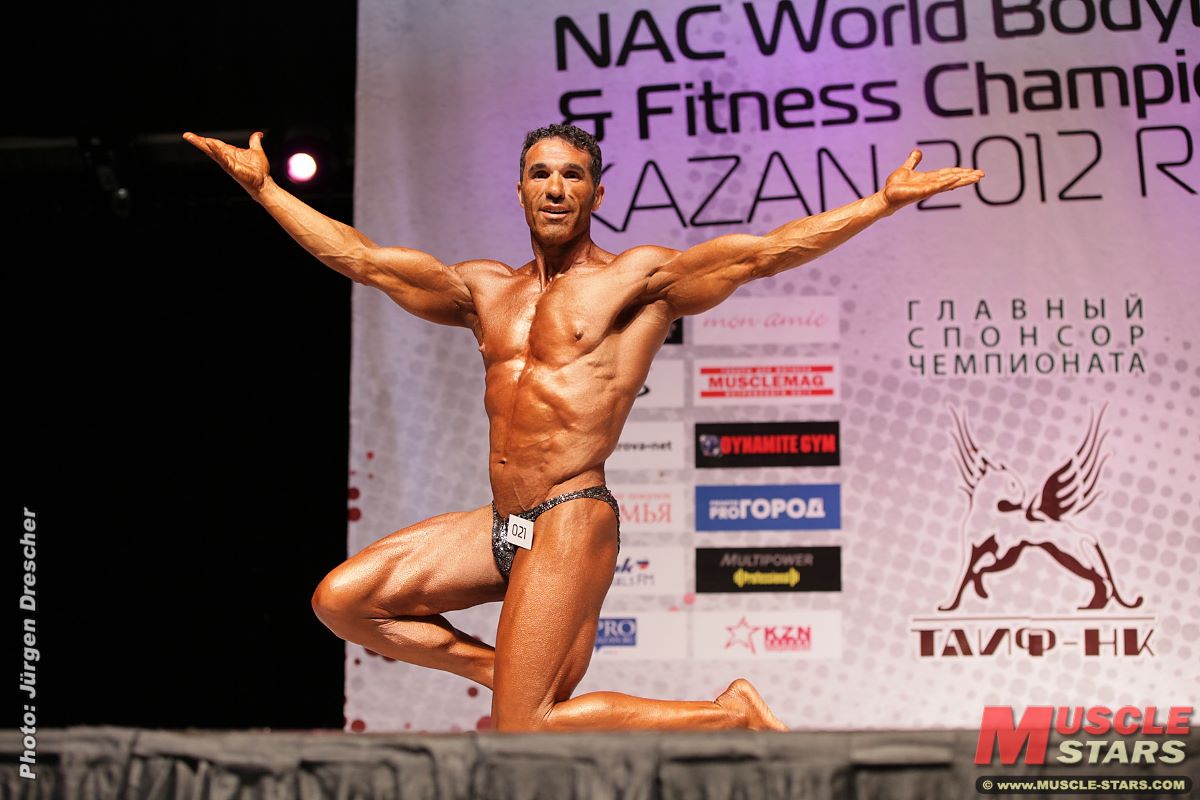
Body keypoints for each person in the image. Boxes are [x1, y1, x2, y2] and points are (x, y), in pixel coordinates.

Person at [183, 123, 982, 732]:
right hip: (506, 524)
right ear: (520, 191)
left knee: (524, 731)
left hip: (570, 517)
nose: (557, 188)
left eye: (574, 175)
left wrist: (879, 204)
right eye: (542, 174)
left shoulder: (637, 280)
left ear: (597, 193)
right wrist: (266, 190)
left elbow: (761, 253)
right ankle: (508, 673)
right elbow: (362, 257)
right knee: (344, 601)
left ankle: (729, 714)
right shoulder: (484, 291)